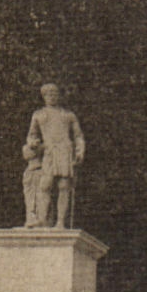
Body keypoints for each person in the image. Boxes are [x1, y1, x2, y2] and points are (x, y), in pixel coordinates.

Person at [25, 83, 85, 229]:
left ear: (59, 96)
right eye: (48, 94)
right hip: (49, 151)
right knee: (45, 185)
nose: (51, 96)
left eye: (54, 93)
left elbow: (78, 135)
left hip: (65, 150)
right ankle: (42, 219)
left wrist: (80, 151)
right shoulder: (39, 115)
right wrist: (33, 143)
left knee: (64, 186)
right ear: (44, 97)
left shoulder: (68, 115)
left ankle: (60, 222)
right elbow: (31, 135)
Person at [21, 140, 44, 227]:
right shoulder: (27, 147)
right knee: (30, 197)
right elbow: (27, 154)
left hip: (40, 171)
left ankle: (40, 218)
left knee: (40, 196)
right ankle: (31, 217)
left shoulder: (45, 146)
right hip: (30, 173)